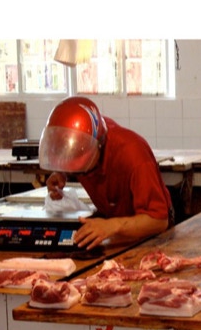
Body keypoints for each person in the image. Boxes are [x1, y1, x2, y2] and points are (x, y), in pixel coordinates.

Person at [39, 96, 173, 250]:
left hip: (148, 229)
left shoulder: (134, 155)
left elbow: (158, 221)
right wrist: (62, 172)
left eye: (78, 157)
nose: (74, 160)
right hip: (112, 221)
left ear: (99, 144)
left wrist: (112, 225)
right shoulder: (82, 136)